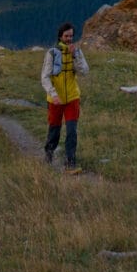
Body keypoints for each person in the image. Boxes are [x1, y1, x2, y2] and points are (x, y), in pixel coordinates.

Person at [41, 21, 89, 174]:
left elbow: (84, 71)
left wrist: (75, 56)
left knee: (71, 131)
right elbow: (45, 77)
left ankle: (70, 163)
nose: (69, 39)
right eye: (66, 36)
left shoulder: (77, 52)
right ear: (60, 36)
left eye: (71, 36)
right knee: (54, 130)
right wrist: (53, 94)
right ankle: (49, 155)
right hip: (55, 99)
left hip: (72, 97)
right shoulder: (52, 53)